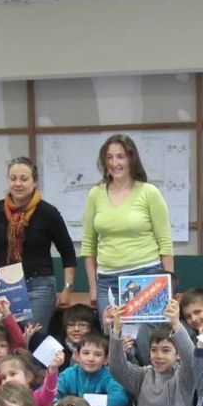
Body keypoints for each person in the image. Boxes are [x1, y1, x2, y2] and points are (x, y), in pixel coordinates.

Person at [80, 134, 173, 321]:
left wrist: (168, 285)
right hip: (107, 280)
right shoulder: (95, 194)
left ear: (131, 158)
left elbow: (165, 243)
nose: (115, 163)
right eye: (109, 157)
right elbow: (88, 245)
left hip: (145, 275)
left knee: (144, 342)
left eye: (120, 156)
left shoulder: (149, 192)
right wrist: (93, 286)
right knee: (113, 340)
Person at [0, 156, 77, 334]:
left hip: (39, 285)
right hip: (6, 286)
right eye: (13, 179)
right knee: (7, 338)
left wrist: (67, 289)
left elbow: (68, 253)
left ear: (35, 182)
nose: (18, 183)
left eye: (24, 179)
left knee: (32, 337)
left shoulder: (47, 212)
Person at [109, 299, 196, 406]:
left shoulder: (184, 377)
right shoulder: (143, 375)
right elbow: (116, 368)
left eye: (166, 350)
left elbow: (191, 359)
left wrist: (176, 324)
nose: (159, 356)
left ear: (177, 354)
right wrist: (117, 330)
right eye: (154, 350)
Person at [57, 331, 130, 406]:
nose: (91, 359)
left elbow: (120, 397)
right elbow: (54, 394)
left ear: (106, 359)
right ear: (77, 355)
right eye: (85, 353)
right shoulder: (68, 374)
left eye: (97, 354)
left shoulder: (111, 374)